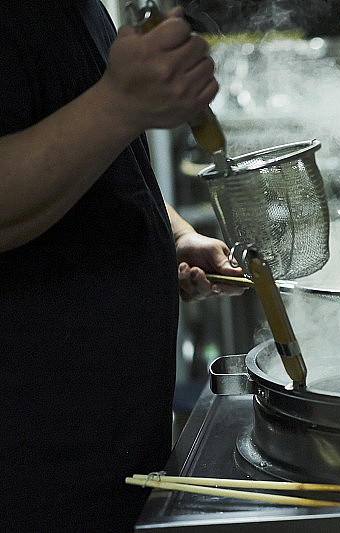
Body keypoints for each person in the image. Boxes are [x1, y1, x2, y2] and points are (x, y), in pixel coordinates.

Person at [0, 1, 244, 530]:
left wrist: (170, 232)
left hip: (114, 453)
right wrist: (120, 103)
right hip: (31, 475)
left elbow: (93, 158)